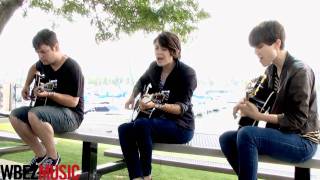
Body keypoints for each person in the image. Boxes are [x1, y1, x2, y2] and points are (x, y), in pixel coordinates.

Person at [219, 20, 319, 180]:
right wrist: (244, 103)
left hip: (304, 141)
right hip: (284, 135)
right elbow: (259, 97)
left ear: (277, 43)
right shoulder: (271, 70)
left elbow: (297, 120)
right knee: (226, 139)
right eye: (254, 48)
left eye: (259, 46)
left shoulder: (300, 71)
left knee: (247, 135)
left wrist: (258, 116)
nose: (256, 52)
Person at [118, 31, 197, 180]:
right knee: (124, 129)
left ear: (175, 51)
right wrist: (131, 98)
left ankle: (147, 176)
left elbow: (181, 108)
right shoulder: (154, 67)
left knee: (141, 124)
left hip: (181, 126)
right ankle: (136, 177)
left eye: (163, 49)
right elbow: (141, 82)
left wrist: (155, 104)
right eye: (156, 48)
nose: (158, 52)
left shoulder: (187, 73)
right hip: (156, 123)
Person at [9, 29, 84, 171]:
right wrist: (26, 85)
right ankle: (41, 155)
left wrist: (50, 94)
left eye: (43, 51)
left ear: (55, 47)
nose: (40, 56)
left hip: (72, 115)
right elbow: (33, 68)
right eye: (37, 52)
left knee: (35, 114)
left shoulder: (72, 67)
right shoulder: (44, 62)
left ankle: (53, 158)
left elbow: (74, 102)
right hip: (47, 111)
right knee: (14, 115)